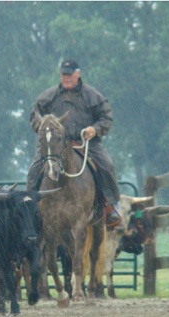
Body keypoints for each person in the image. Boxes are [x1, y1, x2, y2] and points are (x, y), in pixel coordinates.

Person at [26, 58, 121, 228]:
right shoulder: (49, 96)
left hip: (87, 143)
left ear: (78, 74)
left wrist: (95, 129)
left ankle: (111, 207)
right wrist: (42, 126)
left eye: (69, 75)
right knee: (34, 170)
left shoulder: (93, 95)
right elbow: (34, 114)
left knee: (107, 165)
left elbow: (106, 117)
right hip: (55, 145)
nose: (66, 78)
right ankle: (30, 207)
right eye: (64, 75)